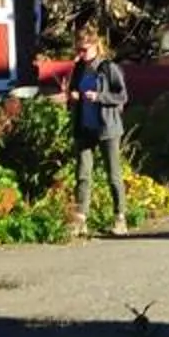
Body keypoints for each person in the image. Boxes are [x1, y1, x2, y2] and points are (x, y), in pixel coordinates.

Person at [65, 26, 130, 235]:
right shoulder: (78, 68)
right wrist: (73, 96)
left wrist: (99, 97)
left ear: (95, 46)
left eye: (84, 50)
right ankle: (80, 220)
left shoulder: (108, 68)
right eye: (78, 49)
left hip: (107, 128)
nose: (81, 54)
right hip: (84, 127)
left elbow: (122, 96)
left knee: (113, 174)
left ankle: (120, 218)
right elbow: (73, 90)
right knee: (82, 174)